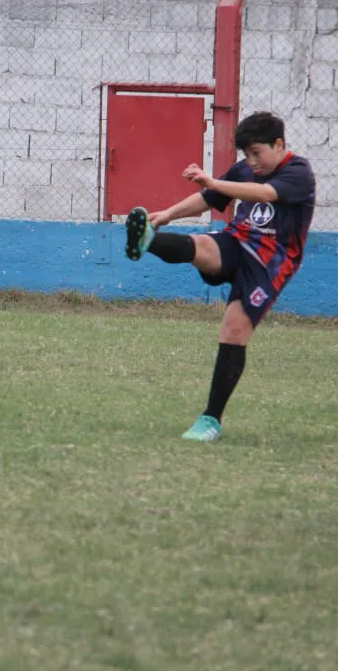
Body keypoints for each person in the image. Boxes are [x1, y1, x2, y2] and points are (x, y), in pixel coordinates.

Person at [124, 111, 315, 442]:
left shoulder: (299, 172)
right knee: (203, 245)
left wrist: (214, 181)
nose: (251, 162)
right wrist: (167, 215)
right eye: (246, 155)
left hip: (270, 264)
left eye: (257, 153)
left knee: (233, 330)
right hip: (238, 241)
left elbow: (268, 194)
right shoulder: (243, 171)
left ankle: (210, 419)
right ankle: (148, 241)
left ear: (279, 144)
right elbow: (206, 200)